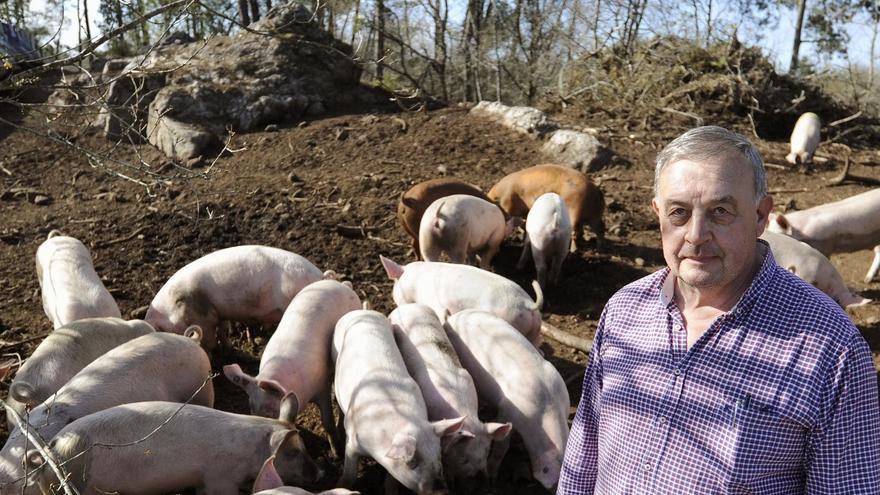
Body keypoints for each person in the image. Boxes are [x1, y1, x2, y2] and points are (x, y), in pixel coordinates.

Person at [557, 126, 880, 494]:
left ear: (761, 216)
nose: (696, 234)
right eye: (678, 212)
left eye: (720, 211)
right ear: (658, 214)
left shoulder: (831, 347)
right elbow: (583, 459)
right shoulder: (624, 311)